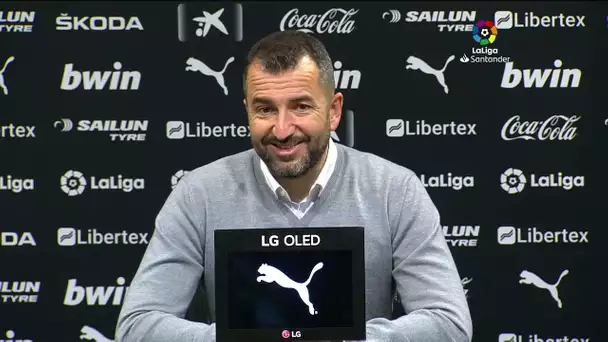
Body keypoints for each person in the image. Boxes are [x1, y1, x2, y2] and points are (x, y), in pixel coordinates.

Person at [115, 30, 473, 342]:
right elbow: (137, 326)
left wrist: (339, 341)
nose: (283, 130)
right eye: (265, 110)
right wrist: (245, 341)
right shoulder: (199, 194)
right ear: (247, 111)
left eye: (301, 107)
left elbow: (449, 322)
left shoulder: (395, 190)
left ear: (333, 111)